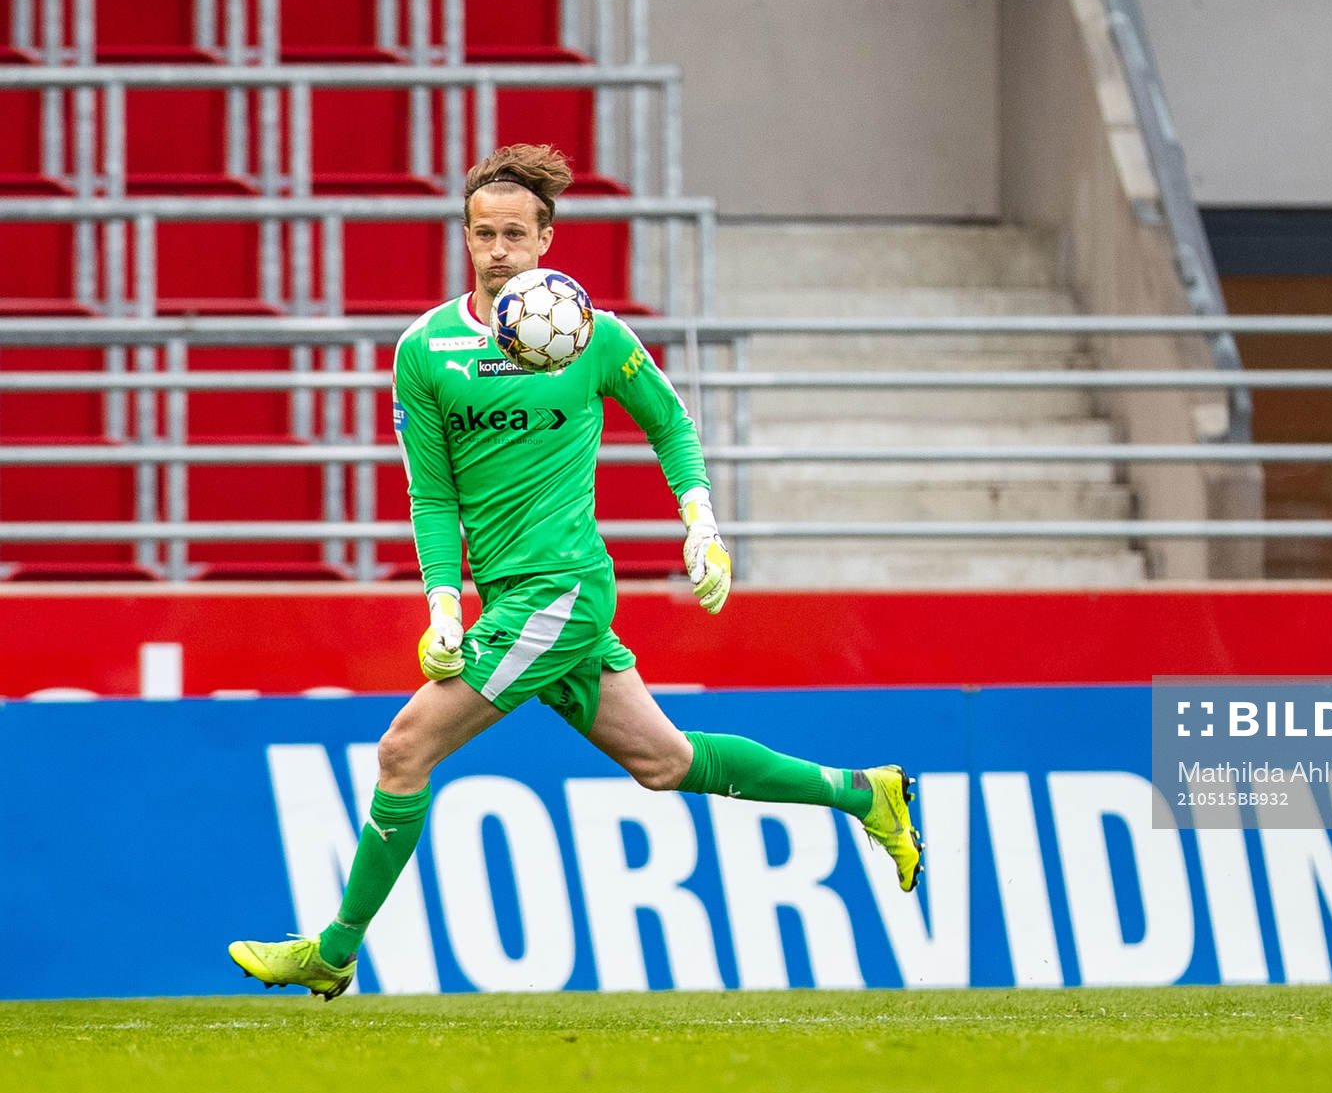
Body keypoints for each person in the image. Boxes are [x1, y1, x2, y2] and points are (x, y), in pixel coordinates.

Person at [230, 144, 922, 998]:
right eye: (482, 234)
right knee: (665, 762)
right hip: (507, 597)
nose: (497, 251)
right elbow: (432, 494)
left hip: (561, 593)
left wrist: (700, 525)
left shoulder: (593, 336)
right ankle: (865, 794)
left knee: (403, 750)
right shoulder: (426, 351)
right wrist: (444, 606)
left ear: (547, 239)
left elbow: (670, 425)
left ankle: (334, 950)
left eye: (515, 234)